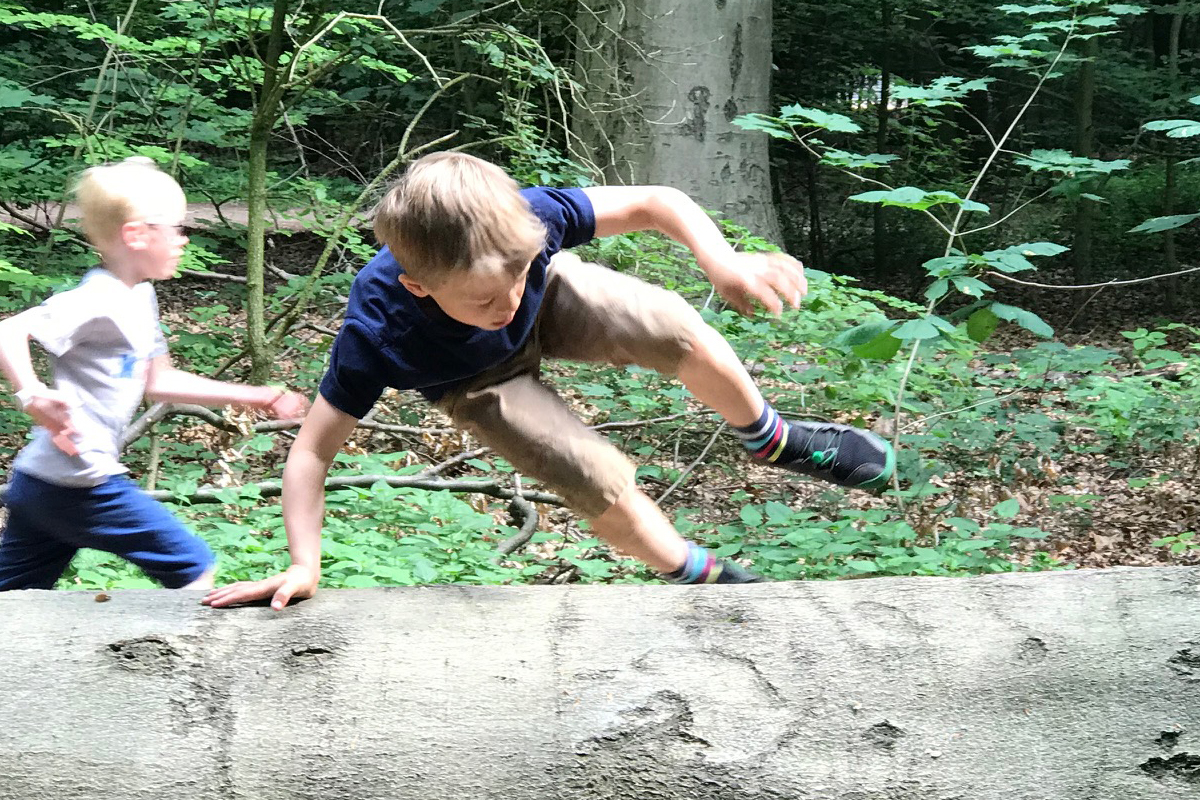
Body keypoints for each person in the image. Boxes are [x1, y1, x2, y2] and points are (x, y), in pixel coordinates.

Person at [203, 152, 893, 609]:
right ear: (417, 285)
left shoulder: (529, 227)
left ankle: (772, 439)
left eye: (514, 276)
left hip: (556, 297)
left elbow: (658, 201)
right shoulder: (379, 332)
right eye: (482, 299)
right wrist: (303, 562)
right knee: (587, 473)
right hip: (474, 379)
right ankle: (700, 577)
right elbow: (311, 453)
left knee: (665, 322)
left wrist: (723, 263)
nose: (503, 304)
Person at [0, 157, 308, 591]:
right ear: (137, 234)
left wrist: (257, 395)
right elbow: (9, 330)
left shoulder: (139, 296)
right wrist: (31, 393)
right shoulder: (98, 298)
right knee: (195, 568)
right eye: (177, 228)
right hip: (79, 481)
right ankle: (184, 659)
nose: (184, 239)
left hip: (40, 483)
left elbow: (159, 382)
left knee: (12, 604)